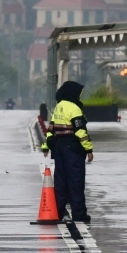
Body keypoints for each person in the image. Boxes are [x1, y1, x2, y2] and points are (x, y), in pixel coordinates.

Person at [41, 81, 94, 223]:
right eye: (79, 94)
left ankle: (57, 212)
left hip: (59, 148)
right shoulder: (74, 108)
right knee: (76, 181)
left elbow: (51, 129)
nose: (80, 96)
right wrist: (88, 149)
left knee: (61, 182)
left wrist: (46, 146)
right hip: (73, 148)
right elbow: (80, 131)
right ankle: (79, 214)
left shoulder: (59, 107)